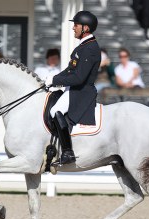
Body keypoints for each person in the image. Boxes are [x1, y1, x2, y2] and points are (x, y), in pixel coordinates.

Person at [45, 11, 101, 165]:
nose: (73, 28)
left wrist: (55, 80)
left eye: (76, 25)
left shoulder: (90, 48)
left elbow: (79, 78)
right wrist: (51, 82)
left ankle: (68, 152)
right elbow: (70, 71)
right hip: (72, 89)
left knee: (55, 111)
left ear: (86, 28)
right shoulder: (83, 46)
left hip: (81, 91)